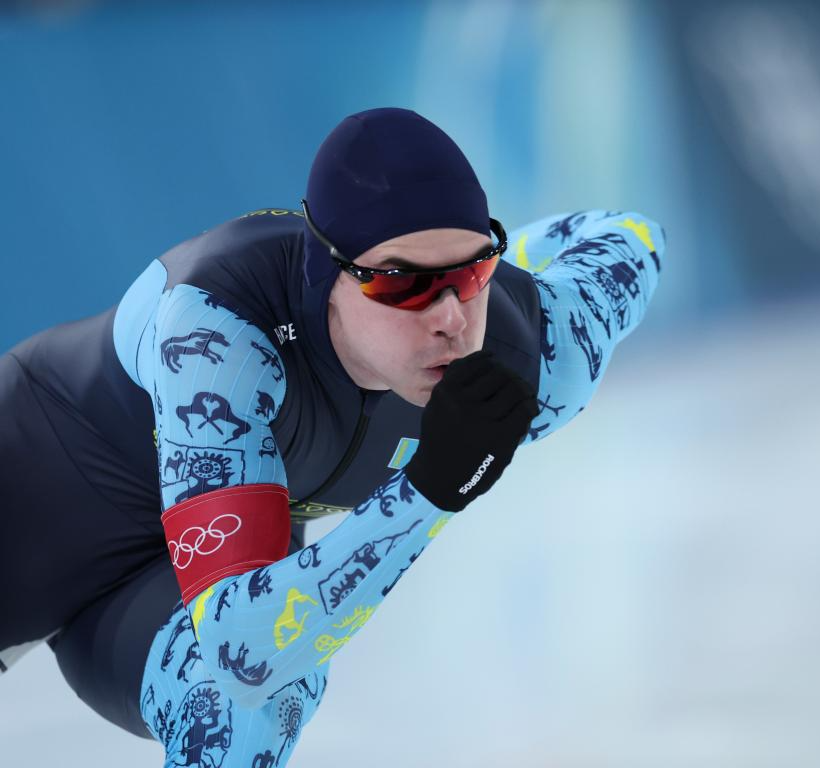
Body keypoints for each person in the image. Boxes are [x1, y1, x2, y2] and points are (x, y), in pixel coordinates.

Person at [0, 107, 664, 766]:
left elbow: (634, 237)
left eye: (470, 274)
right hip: (28, 504)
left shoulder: (536, 358)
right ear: (328, 273)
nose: (450, 321)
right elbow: (240, 647)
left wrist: (508, 257)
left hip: (152, 593)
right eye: (403, 284)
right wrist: (428, 492)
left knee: (256, 706)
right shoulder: (221, 330)